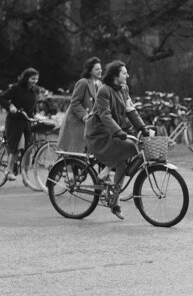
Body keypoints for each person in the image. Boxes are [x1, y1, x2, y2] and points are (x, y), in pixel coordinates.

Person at [84, 61, 151, 219]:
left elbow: (130, 110)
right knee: (130, 146)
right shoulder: (103, 91)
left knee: (123, 164)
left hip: (113, 131)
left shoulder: (124, 89)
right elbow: (104, 115)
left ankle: (115, 202)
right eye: (124, 73)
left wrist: (142, 128)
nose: (127, 75)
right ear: (115, 76)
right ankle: (104, 172)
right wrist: (119, 131)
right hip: (99, 133)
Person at [0, 68, 40, 180]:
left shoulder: (35, 90)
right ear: (26, 78)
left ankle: (26, 176)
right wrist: (10, 106)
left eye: (36, 79)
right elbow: (1, 99)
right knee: (18, 146)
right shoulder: (16, 88)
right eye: (32, 78)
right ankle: (9, 170)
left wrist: (36, 114)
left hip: (26, 122)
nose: (34, 81)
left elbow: (33, 105)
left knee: (28, 149)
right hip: (14, 122)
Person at [57, 57, 102, 153]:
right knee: (73, 152)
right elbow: (75, 102)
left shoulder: (99, 84)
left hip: (88, 123)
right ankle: (63, 167)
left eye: (100, 69)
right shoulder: (83, 82)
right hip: (76, 121)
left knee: (82, 153)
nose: (100, 71)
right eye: (97, 69)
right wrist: (84, 115)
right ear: (90, 71)